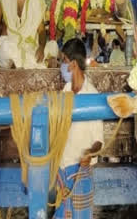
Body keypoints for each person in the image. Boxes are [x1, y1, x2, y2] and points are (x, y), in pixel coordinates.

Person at [56, 38, 103, 219]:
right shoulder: (65, 91)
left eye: (63, 61)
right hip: (62, 171)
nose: (61, 65)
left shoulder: (92, 95)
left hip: (80, 173)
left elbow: (98, 141)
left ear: (73, 64)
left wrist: (90, 153)